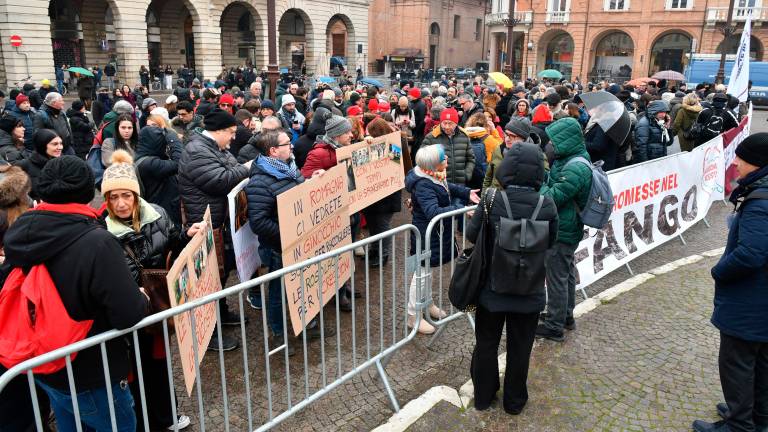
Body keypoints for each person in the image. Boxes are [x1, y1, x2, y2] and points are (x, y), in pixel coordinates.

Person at [3, 155, 150, 431]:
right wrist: (142, 296)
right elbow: (128, 313)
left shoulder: (20, 232)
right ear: (87, 192)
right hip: (93, 373)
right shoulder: (96, 241)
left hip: (46, 366)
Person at [100, 150, 192, 431]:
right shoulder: (100, 233)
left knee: (160, 367)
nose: (121, 203)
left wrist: (189, 234)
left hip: (159, 308)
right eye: (113, 197)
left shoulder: (159, 214)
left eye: (126, 195)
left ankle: (166, 417)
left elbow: (175, 240)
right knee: (134, 373)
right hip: (130, 316)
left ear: (136, 195)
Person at [466, 140, 558, 416]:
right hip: (529, 289)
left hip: (493, 287)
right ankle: (514, 401)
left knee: (486, 343)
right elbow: (551, 242)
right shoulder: (546, 204)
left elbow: (472, 236)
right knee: (520, 348)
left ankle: (483, 396)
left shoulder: (491, 200)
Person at [693, 133, 768, 432]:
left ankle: (739, 424)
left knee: (738, 362)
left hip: (751, 302)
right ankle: (756, 416)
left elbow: (751, 254)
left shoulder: (760, 202)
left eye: (741, 158)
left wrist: (719, 271)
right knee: (760, 361)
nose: (735, 163)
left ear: (758, 163)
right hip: (759, 301)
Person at [245, 129, 332, 351]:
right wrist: (290, 233)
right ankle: (279, 335)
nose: (292, 146)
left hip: (299, 243)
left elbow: (299, 196)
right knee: (278, 293)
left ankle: (307, 325)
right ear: (273, 151)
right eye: (286, 144)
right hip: (278, 248)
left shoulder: (290, 169)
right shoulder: (259, 182)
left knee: (303, 285)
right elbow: (259, 223)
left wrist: (313, 181)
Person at [178, 109, 250, 350]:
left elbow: (231, 167)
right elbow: (219, 180)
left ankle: (221, 314)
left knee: (220, 274)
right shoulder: (197, 150)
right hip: (203, 224)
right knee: (207, 280)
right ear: (217, 131)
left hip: (218, 221)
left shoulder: (214, 148)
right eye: (230, 133)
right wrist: (248, 168)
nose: (232, 138)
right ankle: (209, 334)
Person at [405, 144, 478, 334]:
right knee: (421, 274)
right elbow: (433, 211)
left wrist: (466, 193)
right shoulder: (423, 183)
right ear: (433, 164)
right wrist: (463, 210)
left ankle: (427, 304)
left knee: (427, 271)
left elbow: (447, 187)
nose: (447, 159)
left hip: (436, 233)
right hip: (426, 234)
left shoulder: (432, 175)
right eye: (443, 158)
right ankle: (413, 315)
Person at [536, 117, 593, 342]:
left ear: (565, 140)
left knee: (557, 276)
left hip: (563, 228)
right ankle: (565, 315)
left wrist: (540, 182)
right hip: (567, 225)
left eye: (554, 141)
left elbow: (551, 197)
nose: (550, 145)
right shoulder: (572, 159)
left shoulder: (576, 167)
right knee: (566, 273)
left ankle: (554, 325)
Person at [362, 118, 403, 266]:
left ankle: (383, 255)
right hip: (373, 195)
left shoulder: (394, 146)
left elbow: (393, 167)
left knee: (382, 226)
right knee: (373, 225)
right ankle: (374, 251)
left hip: (386, 196)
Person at [421, 108, 476, 198]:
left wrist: (466, 174)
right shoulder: (431, 137)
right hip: (439, 185)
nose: (447, 126)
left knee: (458, 210)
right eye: (444, 123)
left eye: (450, 123)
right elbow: (422, 160)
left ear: (456, 123)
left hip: (460, 186)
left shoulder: (464, 136)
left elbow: (471, 159)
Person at [135, 121, 183, 224]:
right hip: (164, 216)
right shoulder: (149, 164)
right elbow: (179, 162)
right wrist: (173, 139)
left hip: (164, 211)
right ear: (155, 143)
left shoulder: (145, 158)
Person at [484, 117, 536, 190]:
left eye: (513, 136)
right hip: (495, 197)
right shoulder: (498, 150)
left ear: (523, 138)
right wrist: (485, 196)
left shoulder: (535, 155)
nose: (507, 139)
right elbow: (488, 177)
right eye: (506, 134)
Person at [17, 129, 63, 201]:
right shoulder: (24, 165)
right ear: (42, 145)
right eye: (55, 144)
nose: (60, 147)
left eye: (61, 143)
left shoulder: (63, 163)